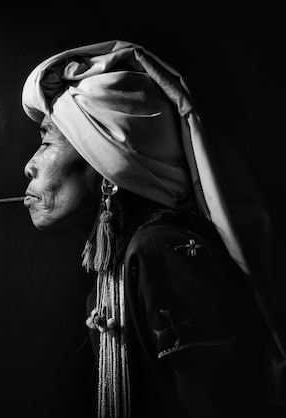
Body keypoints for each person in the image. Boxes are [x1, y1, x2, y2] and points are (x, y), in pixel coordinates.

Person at [21, 40, 286, 417]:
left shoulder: (161, 251)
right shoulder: (121, 268)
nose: (29, 166)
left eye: (46, 140)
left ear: (104, 163)